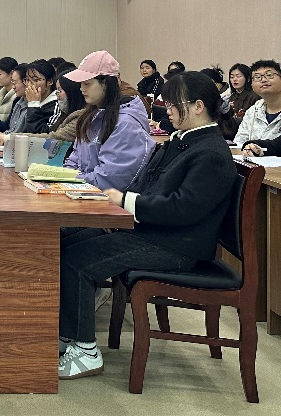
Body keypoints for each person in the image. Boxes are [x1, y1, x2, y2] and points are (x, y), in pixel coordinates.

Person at [58, 71, 237, 380]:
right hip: (152, 231)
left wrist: (126, 202)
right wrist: (121, 209)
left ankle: (86, 351)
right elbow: (148, 184)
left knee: (78, 261)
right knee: (66, 242)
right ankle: (68, 333)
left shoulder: (211, 152)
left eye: (173, 105)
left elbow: (183, 208)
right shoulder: (182, 141)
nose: (167, 110)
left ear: (198, 107)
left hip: (177, 246)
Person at [62, 51, 154, 190]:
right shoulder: (91, 116)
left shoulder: (126, 124)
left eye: (87, 83)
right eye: (81, 83)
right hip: (83, 192)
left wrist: (69, 180)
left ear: (107, 83)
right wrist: (64, 179)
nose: (81, 89)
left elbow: (109, 181)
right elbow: (74, 159)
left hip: (106, 199)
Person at [234, 59, 281, 150]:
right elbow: (239, 145)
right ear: (252, 86)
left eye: (269, 75)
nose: (264, 80)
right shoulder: (252, 112)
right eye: (257, 77)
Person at [221, 63, 258, 139]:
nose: (234, 79)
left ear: (248, 78)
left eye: (238, 76)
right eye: (232, 77)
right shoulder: (231, 97)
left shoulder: (254, 96)